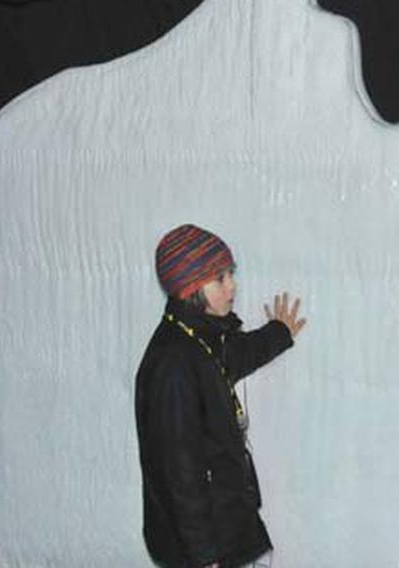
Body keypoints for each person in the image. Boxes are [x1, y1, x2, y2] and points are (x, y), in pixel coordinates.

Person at [135, 224, 306, 568]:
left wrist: (278, 333)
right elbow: (179, 472)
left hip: (225, 525)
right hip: (206, 542)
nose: (232, 286)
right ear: (190, 288)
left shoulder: (198, 339)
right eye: (220, 279)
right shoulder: (174, 365)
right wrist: (204, 557)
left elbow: (234, 355)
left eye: (231, 274)